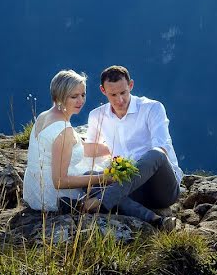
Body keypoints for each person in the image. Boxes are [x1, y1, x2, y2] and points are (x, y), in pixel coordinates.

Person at [85, 65, 181, 230]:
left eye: (123, 93)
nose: (119, 100)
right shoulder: (96, 116)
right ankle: (155, 220)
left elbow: (162, 147)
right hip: (129, 189)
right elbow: (89, 151)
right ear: (103, 90)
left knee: (156, 154)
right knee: (88, 177)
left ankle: (103, 201)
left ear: (131, 85)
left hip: (161, 188)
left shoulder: (152, 107)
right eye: (113, 95)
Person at [23, 70, 109, 212]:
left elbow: (76, 148)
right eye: (74, 96)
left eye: (83, 94)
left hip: (34, 191)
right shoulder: (63, 130)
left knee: (105, 158)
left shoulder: (44, 116)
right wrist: (103, 178)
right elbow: (59, 182)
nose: (80, 101)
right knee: (112, 182)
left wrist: (109, 148)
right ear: (60, 96)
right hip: (52, 196)